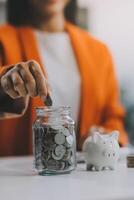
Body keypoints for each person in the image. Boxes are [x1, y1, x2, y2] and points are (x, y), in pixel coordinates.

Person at [0, 0, 128, 156]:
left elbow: (113, 118)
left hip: (84, 176)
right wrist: (5, 83)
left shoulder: (99, 51)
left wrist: (102, 135)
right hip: (15, 176)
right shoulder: (3, 40)